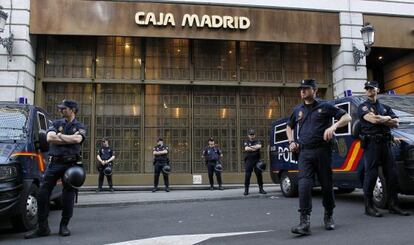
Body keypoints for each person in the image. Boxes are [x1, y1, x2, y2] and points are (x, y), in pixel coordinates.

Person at [286, 79, 351, 235]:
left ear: (315, 90)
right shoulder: (298, 110)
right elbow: (289, 126)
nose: (302, 91)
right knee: (304, 185)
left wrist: (333, 126)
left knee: (326, 185)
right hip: (304, 153)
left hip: (322, 151)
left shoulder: (325, 106)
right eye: (301, 88)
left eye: (306, 88)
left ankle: (328, 215)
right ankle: (304, 222)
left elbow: (347, 117)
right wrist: (291, 141)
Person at [25, 99, 86, 239]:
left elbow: (78, 140)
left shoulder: (80, 125)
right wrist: (66, 138)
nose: (61, 110)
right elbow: (49, 137)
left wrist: (60, 136)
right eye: (60, 108)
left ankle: (64, 226)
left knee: (68, 196)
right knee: (42, 194)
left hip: (71, 165)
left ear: (72, 110)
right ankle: (42, 228)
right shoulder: (56, 123)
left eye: (64, 108)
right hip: (54, 164)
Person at [358, 80, 410, 217]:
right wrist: (388, 119)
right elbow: (374, 120)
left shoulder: (385, 107)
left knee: (392, 175)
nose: (369, 90)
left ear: (377, 90)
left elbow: (397, 123)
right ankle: (368, 207)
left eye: (372, 88)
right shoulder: (363, 107)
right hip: (372, 144)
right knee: (371, 175)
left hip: (386, 143)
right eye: (367, 88)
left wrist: (383, 118)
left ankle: (393, 205)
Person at [243, 129, 266, 196]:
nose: (252, 136)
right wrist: (255, 148)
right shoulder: (246, 141)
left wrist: (251, 147)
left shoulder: (257, 141)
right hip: (249, 161)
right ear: (248, 135)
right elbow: (246, 148)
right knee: (247, 175)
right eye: (250, 134)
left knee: (259, 175)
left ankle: (261, 189)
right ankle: (246, 190)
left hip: (257, 161)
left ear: (254, 135)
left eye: (253, 134)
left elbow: (259, 146)